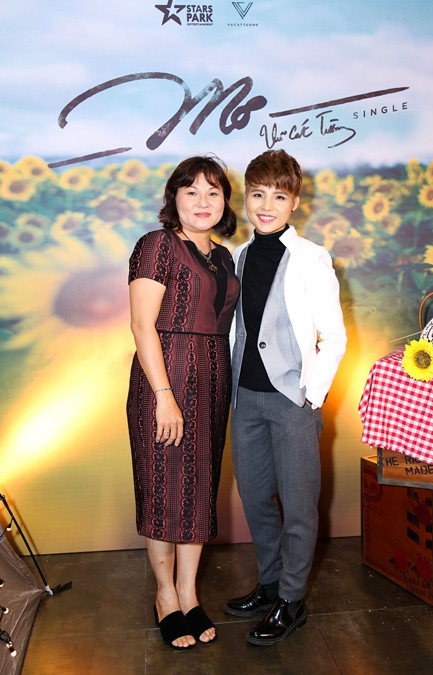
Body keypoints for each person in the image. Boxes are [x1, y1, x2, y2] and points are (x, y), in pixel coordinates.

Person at [225, 149, 347, 646]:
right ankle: (271, 582)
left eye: (279, 196)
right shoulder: (238, 255)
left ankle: (292, 601)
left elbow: (334, 337)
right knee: (255, 498)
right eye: (258, 195)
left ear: (295, 201)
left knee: (298, 505)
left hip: (291, 399)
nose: (266, 206)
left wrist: (309, 396)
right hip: (245, 398)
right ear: (246, 198)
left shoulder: (311, 257)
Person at [127, 155, 239, 650]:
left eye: (213, 192)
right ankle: (165, 596)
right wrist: (164, 397)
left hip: (213, 382)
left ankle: (190, 594)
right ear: (174, 198)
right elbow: (141, 325)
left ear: (225, 202)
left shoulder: (225, 256)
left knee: (198, 490)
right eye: (191, 191)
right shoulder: (157, 245)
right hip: (165, 380)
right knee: (163, 489)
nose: (202, 201)